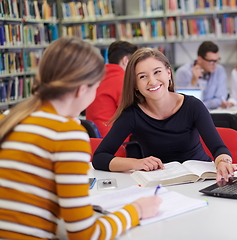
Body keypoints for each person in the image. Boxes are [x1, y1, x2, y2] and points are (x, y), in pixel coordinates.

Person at [0, 37, 161, 240]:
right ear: (82, 89)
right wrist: (136, 210)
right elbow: (86, 234)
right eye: (96, 88)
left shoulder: (9, 119)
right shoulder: (66, 134)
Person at [92, 48, 237, 181]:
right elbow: (100, 157)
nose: (152, 81)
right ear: (135, 85)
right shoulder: (132, 115)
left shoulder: (193, 106)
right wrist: (136, 162)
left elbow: (219, 148)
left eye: (157, 72)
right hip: (163, 182)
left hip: (201, 179)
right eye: (143, 76)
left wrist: (223, 162)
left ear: (168, 73)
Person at [86, 40, 138, 137]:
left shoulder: (96, 78)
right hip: (116, 145)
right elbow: (136, 115)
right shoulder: (123, 81)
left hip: (96, 143)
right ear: (126, 60)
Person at [175, 41, 228, 110]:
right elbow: (183, 102)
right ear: (199, 59)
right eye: (211, 61)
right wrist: (194, 81)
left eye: (217, 60)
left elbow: (221, 99)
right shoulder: (183, 72)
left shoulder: (219, 70)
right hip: (191, 114)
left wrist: (199, 105)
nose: (215, 64)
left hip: (214, 114)